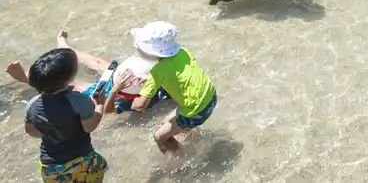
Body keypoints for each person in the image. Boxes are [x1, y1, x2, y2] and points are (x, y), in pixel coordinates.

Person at [7, 29, 163, 116]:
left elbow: (109, 110)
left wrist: (114, 91)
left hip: (113, 92)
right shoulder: (163, 75)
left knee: (72, 84)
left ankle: (25, 78)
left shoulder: (128, 103)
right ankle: (66, 48)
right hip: (121, 76)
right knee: (97, 62)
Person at [22, 48, 111, 183]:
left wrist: (53, 132)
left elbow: (31, 131)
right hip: (82, 160)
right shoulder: (80, 100)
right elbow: (89, 127)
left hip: (51, 166)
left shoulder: (32, 105)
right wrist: (100, 105)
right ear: (70, 78)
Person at [127, 22, 217, 154]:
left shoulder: (157, 72)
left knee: (159, 137)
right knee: (166, 120)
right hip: (210, 96)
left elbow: (140, 106)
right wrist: (151, 81)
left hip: (196, 111)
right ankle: (193, 135)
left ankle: (179, 159)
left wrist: (133, 102)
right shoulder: (183, 52)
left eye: (140, 49)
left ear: (151, 52)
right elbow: (179, 75)